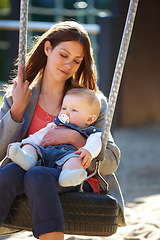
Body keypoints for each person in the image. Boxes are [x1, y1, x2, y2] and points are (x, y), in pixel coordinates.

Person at [0, 21, 126, 240]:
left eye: (76, 61)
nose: (68, 64)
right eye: (63, 55)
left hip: (70, 177)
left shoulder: (91, 103)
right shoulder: (19, 97)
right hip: (26, 174)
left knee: (37, 175)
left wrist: (77, 140)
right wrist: (17, 112)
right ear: (48, 49)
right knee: (9, 173)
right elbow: (2, 152)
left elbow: (112, 160)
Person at [8, 87, 102, 187]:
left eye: (74, 110)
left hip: (67, 157)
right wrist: (21, 144)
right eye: (64, 108)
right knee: (31, 145)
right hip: (45, 153)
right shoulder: (54, 125)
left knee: (77, 160)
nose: (66, 113)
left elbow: (96, 143)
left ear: (90, 119)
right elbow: (37, 137)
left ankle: (67, 176)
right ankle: (27, 159)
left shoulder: (92, 133)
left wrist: (88, 151)